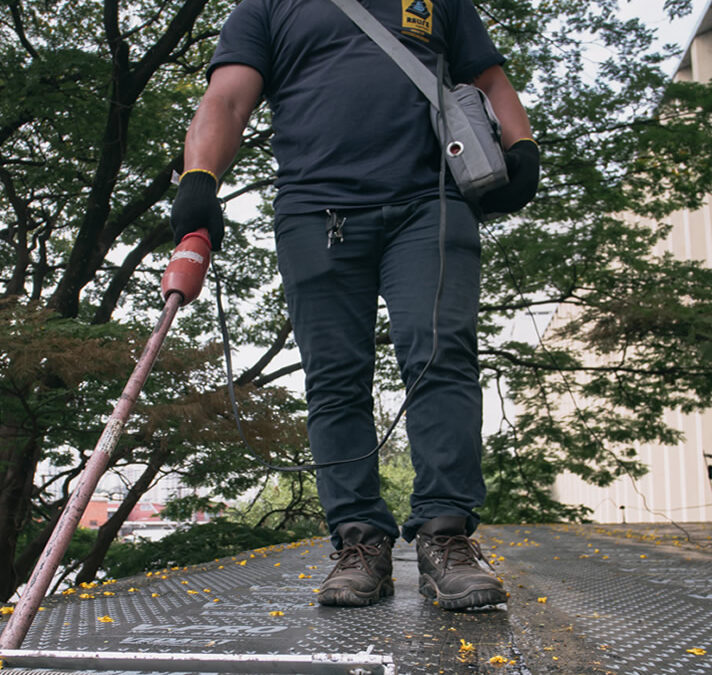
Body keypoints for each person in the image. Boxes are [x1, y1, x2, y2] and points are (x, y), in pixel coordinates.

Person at [171, 0, 539, 610]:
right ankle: (359, 541)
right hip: (316, 211)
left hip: (432, 201)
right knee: (335, 377)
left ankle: (446, 536)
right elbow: (228, 99)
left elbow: (489, 78)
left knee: (441, 355)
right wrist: (199, 178)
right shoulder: (264, 7)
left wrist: (521, 145)